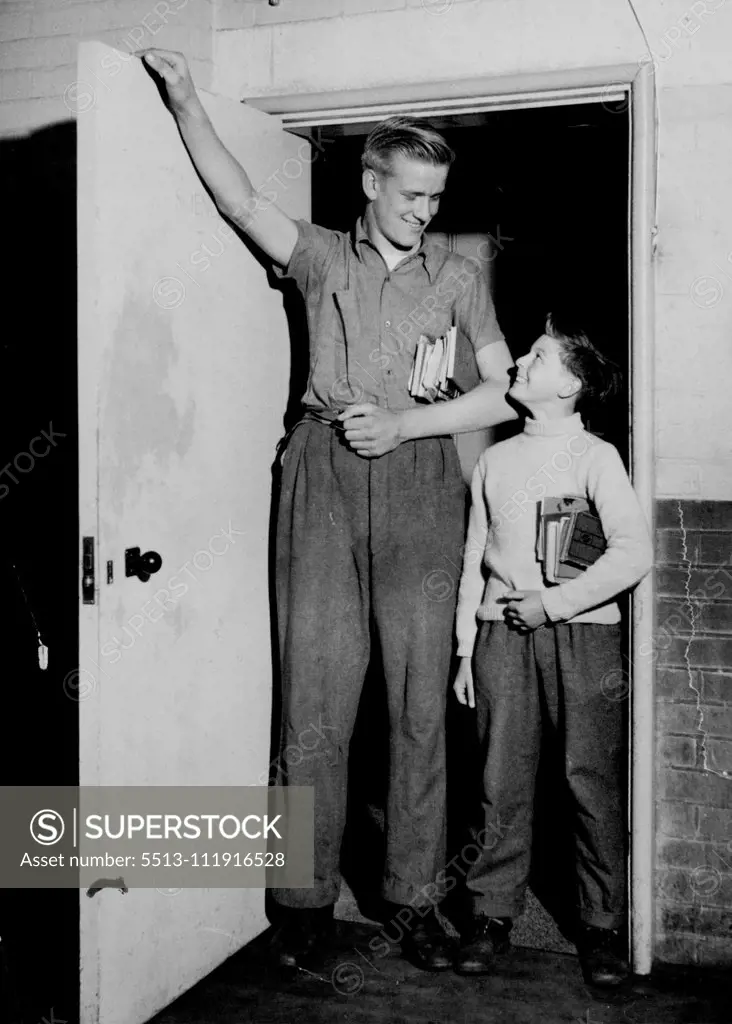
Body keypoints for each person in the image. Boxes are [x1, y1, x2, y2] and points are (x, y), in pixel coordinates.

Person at [139, 49, 519, 970]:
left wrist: (408, 422)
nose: (424, 211)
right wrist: (187, 99)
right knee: (314, 696)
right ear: (370, 179)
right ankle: (302, 906)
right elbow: (237, 198)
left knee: (419, 702)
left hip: (422, 476)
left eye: (434, 198)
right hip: (321, 473)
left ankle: (415, 900)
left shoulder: (460, 275)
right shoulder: (317, 256)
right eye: (409, 195)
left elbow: (504, 392)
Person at [452, 314, 653, 985]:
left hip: (584, 637)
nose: (518, 366)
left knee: (587, 778)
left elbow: (633, 553)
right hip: (501, 635)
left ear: (571, 384)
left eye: (536, 358)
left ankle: (602, 927)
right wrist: (462, 650)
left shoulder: (597, 457)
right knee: (497, 780)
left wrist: (556, 603)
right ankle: (489, 916)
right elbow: (473, 558)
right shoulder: (493, 459)